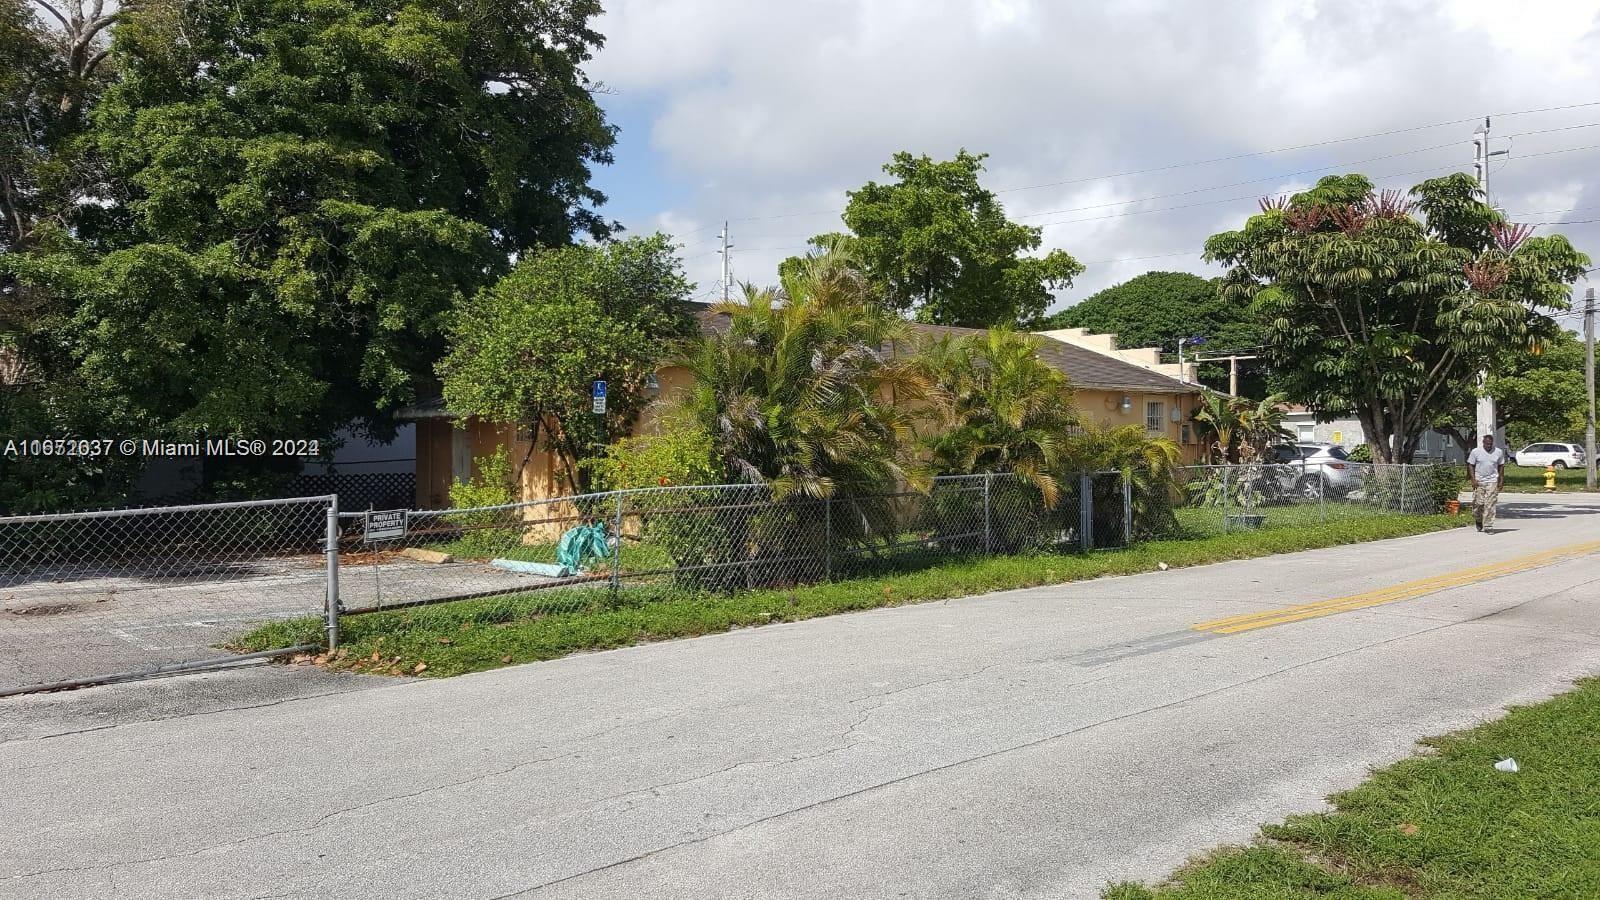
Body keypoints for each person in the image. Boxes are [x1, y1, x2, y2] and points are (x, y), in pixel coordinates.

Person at [1465, 434, 1507, 532]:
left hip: (1492, 480)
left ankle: (1488, 525)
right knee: (1479, 503)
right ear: (1483, 443)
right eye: (1487, 444)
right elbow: (1470, 465)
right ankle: (1478, 520)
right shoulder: (1476, 452)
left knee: (1490, 504)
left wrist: (1501, 480)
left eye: (1490, 444)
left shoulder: (1498, 452)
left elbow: (1501, 466)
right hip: (1479, 480)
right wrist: (1473, 479)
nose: (1489, 446)